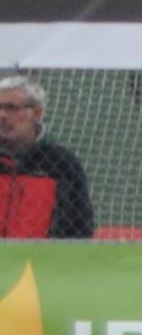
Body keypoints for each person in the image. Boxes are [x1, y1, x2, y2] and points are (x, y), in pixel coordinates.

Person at [0, 79, 92, 238]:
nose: (2, 115)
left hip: (41, 260)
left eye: (12, 108)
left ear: (37, 113)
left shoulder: (62, 163)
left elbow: (80, 224)